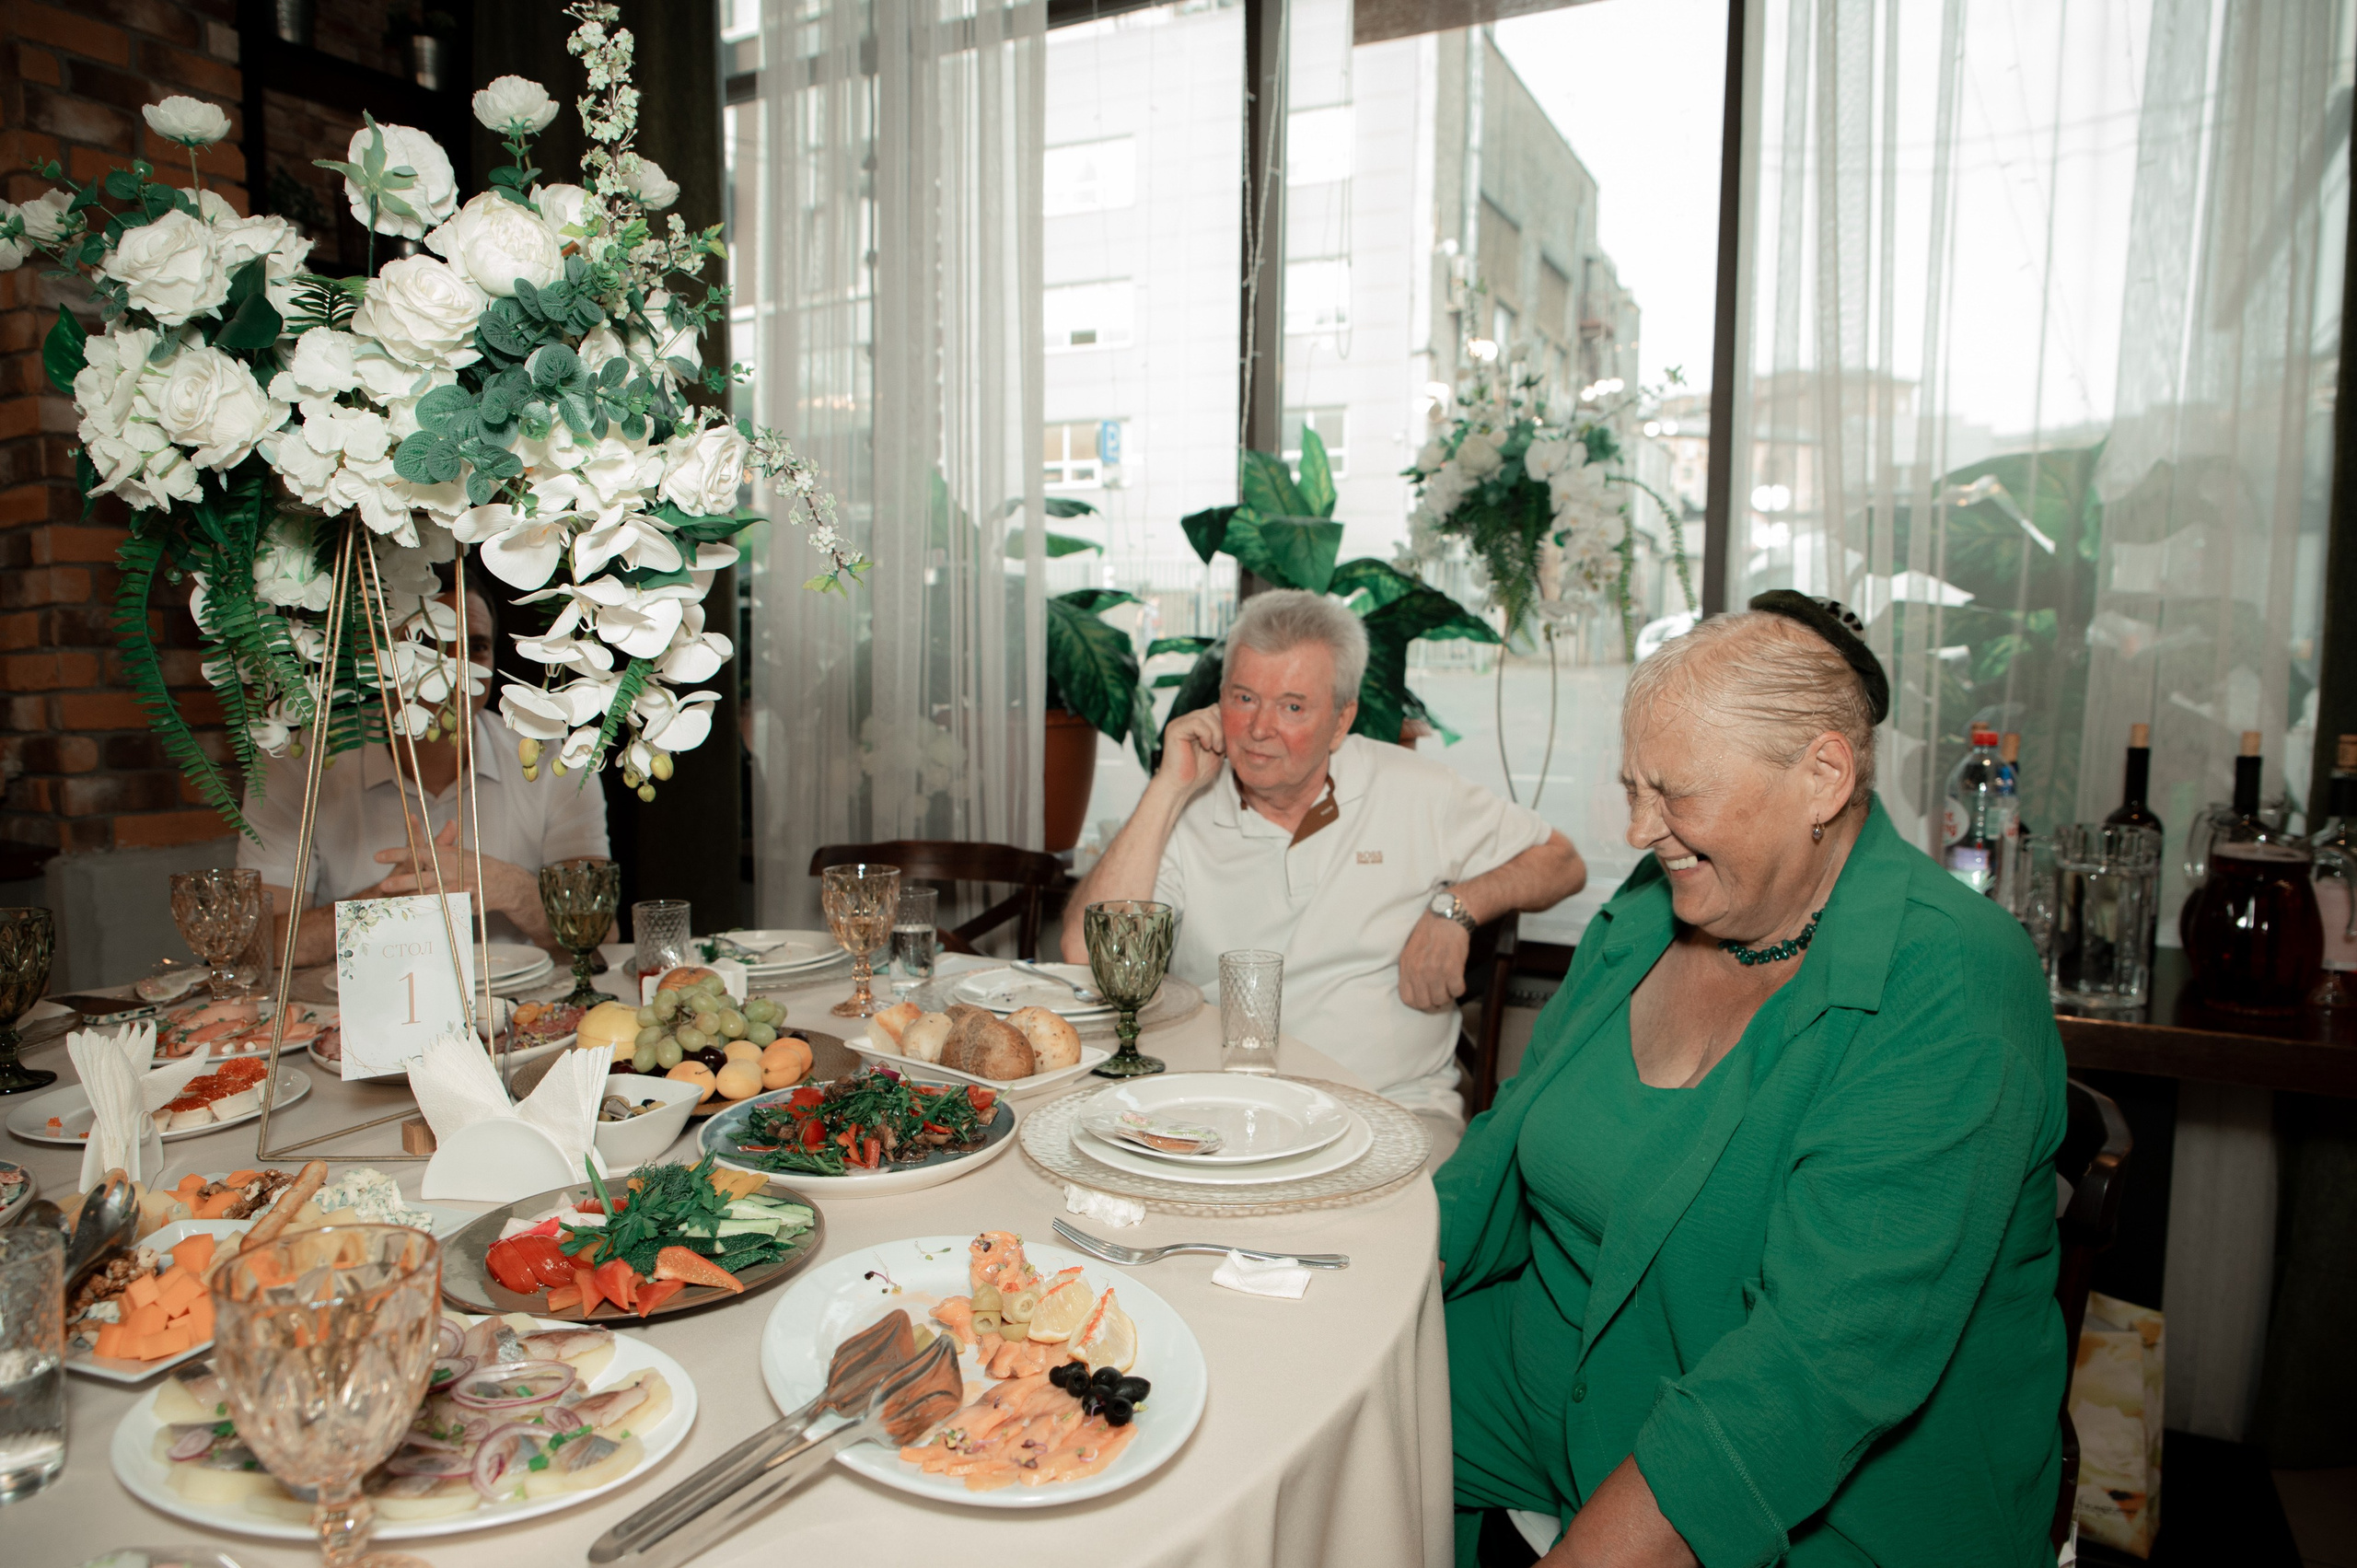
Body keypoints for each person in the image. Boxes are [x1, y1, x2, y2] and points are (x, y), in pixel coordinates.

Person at [1438, 595, 2067, 1568]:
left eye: (1674, 793)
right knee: (1289, 1394)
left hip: (1811, 1496)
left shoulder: (1949, 980)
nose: (1639, 829)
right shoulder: (1656, 904)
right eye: (1632, 788)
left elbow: (1810, 1372)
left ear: (1823, 776)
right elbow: (1508, 1139)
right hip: (1549, 1381)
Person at [1064, 588, 1587, 1134]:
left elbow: (1562, 861)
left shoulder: (1414, 789)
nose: (1259, 728)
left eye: (1292, 706)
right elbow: (1084, 954)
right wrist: (1167, 789)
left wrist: (1458, 906)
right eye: (1244, 698)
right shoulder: (1186, 804)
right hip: (1219, 1104)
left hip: (1390, 1109)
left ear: (1341, 721)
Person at [238, 587, 610, 968]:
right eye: (429, 644)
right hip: (356, 999)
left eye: (476, 647)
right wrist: (386, 901)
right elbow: (258, 944)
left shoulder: (552, 754)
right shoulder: (301, 760)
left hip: (523, 997)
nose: (454, 668)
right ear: (378, 655)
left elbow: (603, 933)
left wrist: (511, 889)